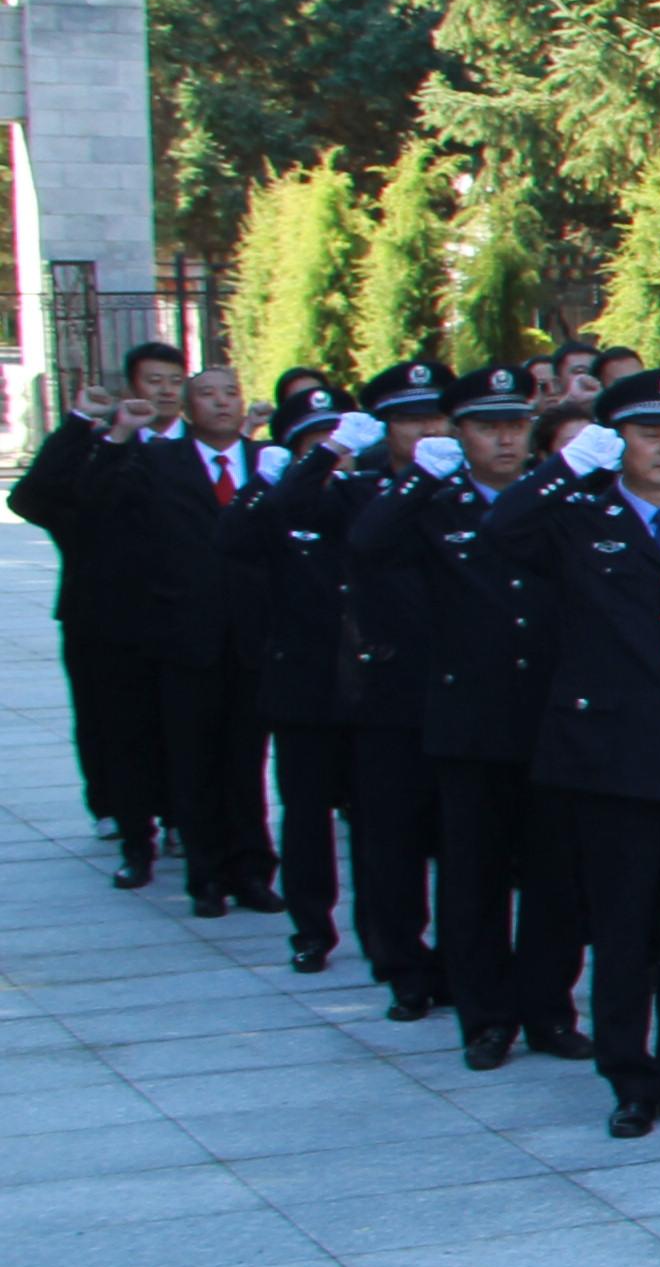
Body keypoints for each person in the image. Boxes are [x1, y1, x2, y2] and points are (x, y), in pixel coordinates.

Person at [480, 371, 660, 1140]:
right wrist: (566, 464)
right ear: (619, 444)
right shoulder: (578, 515)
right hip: (609, 757)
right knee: (621, 927)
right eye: (649, 435)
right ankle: (630, 1078)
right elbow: (499, 532)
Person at [359, 368, 580, 1066]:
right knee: (473, 877)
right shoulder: (433, 503)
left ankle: (549, 1010)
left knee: (554, 880)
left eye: (516, 423)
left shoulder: (559, 494)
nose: (506, 437)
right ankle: (485, 1015)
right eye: (488, 425)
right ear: (458, 433)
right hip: (471, 719)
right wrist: (419, 480)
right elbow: (366, 548)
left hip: (550, 717)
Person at [87, 361, 284, 918]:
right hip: (184, 638)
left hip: (253, 638)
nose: (222, 402)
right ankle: (206, 876)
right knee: (193, 761)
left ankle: (253, 870)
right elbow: (99, 503)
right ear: (188, 408)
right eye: (208, 394)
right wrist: (117, 432)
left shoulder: (266, 463)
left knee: (246, 763)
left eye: (232, 392)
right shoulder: (157, 461)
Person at [224, 383, 393, 974]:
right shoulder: (275, 501)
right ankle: (312, 928)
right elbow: (233, 541)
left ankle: (381, 931)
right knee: (306, 816)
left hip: (368, 684)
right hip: (302, 683)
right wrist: (272, 480)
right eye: (316, 442)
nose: (333, 450)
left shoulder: (366, 492)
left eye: (341, 439)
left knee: (375, 819)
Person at [13, 338, 183, 882]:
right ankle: (119, 812)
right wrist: (84, 422)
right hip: (100, 613)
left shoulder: (193, 449)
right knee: (109, 721)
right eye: (153, 381)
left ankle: (181, 814)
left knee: (178, 721)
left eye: (174, 381)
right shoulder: (102, 447)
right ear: (131, 387)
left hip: (176, 613)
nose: (164, 391)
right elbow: (32, 498)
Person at [337, 362, 459, 1014]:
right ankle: (402, 961)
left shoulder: (474, 489)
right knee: (392, 841)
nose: (429, 430)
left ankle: (462, 960)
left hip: (464, 688)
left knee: (464, 843)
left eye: (439, 418)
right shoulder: (362, 490)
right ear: (384, 430)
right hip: (391, 688)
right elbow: (362, 542)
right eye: (412, 419)